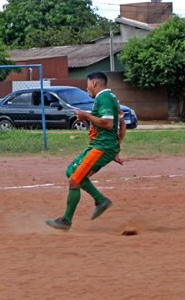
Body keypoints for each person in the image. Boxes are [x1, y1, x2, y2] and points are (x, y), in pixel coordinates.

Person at [46, 72, 127, 231]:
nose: (87, 87)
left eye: (88, 83)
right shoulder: (112, 97)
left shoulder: (104, 98)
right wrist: (116, 148)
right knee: (71, 171)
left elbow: (108, 124)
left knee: (75, 180)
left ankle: (66, 221)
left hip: (102, 147)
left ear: (95, 83)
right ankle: (100, 200)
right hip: (101, 146)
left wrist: (85, 115)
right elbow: (122, 124)